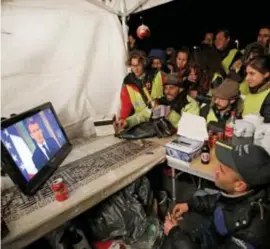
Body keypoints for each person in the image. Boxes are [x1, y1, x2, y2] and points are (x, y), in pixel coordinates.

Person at [162, 142, 270, 249]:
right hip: (218, 235)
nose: (215, 170)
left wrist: (175, 233)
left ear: (239, 185)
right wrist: (189, 205)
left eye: (222, 170)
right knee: (199, 194)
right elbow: (219, 200)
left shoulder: (251, 233)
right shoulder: (239, 194)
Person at [116, 50, 165, 131]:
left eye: (138, 65)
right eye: (133, 65)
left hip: (160, 118)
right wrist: (123, 119)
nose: (135, 69)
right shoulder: (127, 81)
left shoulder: (156, 74)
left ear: (144, 63)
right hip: (141, 121)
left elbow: (173, 86)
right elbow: (126, 105)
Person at [242, 55, 270, 123]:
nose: (247, 78)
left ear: (266, 74)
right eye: (247, 73)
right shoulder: (252, 90)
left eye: (252, 73)